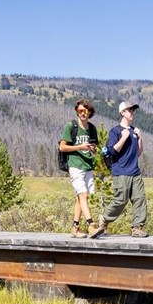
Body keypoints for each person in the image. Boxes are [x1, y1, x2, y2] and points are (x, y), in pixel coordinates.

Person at [98, 101, 148, 238]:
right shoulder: (116, 131)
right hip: (121, 171)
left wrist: (140, 139)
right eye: (130, 110)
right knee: (120, 200)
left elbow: (138, 153)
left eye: (133, 111)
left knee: (140, 199)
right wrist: (123, 138)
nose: (133, 113)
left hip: (135, 172)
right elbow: (111, 152)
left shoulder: (134, 131)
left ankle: (137, 227)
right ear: (122, 113)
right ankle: (104, 219)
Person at [60, 99, 104, 239]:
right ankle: (91, 225)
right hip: (75, 165)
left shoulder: (91, 129)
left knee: (81, 198)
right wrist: (80, 147)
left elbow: (95, 150)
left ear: (90, 112)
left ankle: (75, 227)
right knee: (83, 194)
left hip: (87, 165)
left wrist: (92, 149)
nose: (82, 113)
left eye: (85, 111)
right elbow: (62, 147)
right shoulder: (71, 127)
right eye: (79, 111)